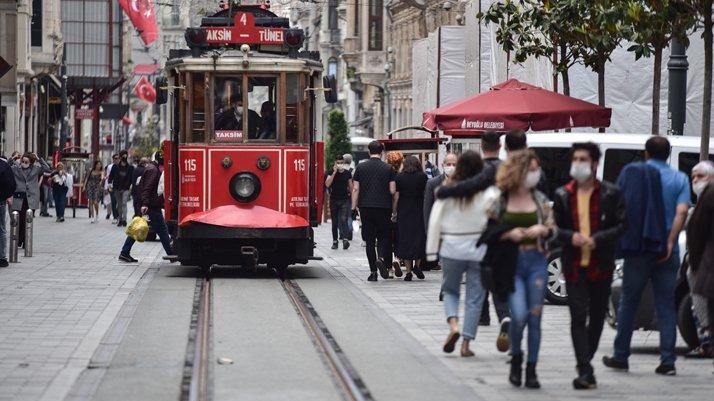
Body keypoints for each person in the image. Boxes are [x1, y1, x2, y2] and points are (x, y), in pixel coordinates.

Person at [603, 136, 690, 376]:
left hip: (639, 247)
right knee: (666, 305)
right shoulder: (679, 178)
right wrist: (671, 241)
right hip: (666, 249)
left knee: (629, 302)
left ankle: (621, 355)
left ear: (646, 154)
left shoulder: (635, 174)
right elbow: (682, 211)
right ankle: (667, 361)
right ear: (669, 153)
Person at [552, 142, 627, 389]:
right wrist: (570, 237)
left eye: (583, 159)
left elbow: (622, 224)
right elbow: (556, 229)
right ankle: (584, 367)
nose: (578, 164)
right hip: (574, 265)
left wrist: (599, 239)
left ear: (594, 163)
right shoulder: (563, 194)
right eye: (575, 159)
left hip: (600, 264)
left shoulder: (610, 193)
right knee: (577, 316)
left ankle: (587, 357)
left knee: (596, 317)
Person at [481, 150, 555, 389]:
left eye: (537, 170)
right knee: (519, 314)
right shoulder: (501, 200)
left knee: (535, 318)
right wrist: (507, 233)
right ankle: (516, 359)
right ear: (519, 171)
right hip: (511, 264)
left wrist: (543, 230)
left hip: (536, 262)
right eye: (531, 169)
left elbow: (553, 228)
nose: (536, 174)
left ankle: (531, 369)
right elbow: (487, 232)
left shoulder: (540, 200)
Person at [426, 150, 495, 357]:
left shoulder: (447, 190)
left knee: (450, 290)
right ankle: (466, 343)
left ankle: (453, 325)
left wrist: (431, 251)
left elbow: (435, 220)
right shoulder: (486, 191)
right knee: (475, 297)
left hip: (452, 246)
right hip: (477, 248)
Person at [352, 140, 397, 281]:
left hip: (366, 207)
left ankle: (373, 272)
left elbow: (355, 189)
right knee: (384, 237)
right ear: (382, 152)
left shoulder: (361, 168)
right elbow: (392, 190)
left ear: (368, 151)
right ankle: (382, 259)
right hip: (384, 207)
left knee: (369, 240)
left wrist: (353, 208)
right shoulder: (388, 168)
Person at [119, 152, 173, 262]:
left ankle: (124, 252)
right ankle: (171, 253)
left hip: (150, 204)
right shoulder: (153, 170)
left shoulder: (152, 168)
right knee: (161, 229)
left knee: (139, 227)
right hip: (151, 205)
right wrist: (145, 204)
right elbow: (147, 188)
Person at [687, 161, 714, 373]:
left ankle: (707, 343)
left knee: (703, 302)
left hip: (705, 263)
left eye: (701, 176)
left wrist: (694, 263)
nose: (695, 180)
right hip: (702, 262)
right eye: (694, 176)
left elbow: (700, 232)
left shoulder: (709, 197)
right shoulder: (704, 197)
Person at [422, 153, 457, 273]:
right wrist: (427, 229)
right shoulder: (433, 183)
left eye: (454, 164)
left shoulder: (464, 181)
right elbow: (427, 207)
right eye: (448, 164)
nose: (451, 167)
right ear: (443, 165)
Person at [395, 155, 428, 281]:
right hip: (419, 211)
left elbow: (397, 197)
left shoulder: (399, 177)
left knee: (406, 240)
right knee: (418, 239)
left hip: (404, 212)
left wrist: (394, 212)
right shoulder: (422, 176)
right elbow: (426, 193)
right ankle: (417, 266)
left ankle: (408, 272)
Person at [11, 153, 51, 248]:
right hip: (19, 198)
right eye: (23, 161)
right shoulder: (16, 168)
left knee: (27, 220)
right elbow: (6, 166)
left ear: (31, 162)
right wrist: (12, 158)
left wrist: (39, 159)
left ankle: (25, 241)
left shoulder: (35, 169)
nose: (24, 163)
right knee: (19, 220)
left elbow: (47, 169)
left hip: (31, 199)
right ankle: (19, 240)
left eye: (26, 162)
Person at [324, 156, 353, 250]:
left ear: (344, 163)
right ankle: (335, 241)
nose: (340, 164)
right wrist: (334, 172)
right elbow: (327, 184)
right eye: (338, 163)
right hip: (334, 200)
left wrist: (353, 200)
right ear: (335, 163)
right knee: (335, 222)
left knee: (343, 219)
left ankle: (345, 239)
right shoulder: (330, 172)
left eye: (341, 162)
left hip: (344, 199)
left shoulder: (347, 173)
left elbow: (351, 187)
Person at [385, 151, 404, 277]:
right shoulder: (401, 176)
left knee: (386, 238)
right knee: (398, 236)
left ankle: (389, 268)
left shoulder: (385, 174)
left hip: (385, 209)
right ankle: (397, 258)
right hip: (400, 211)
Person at [109, 150, 134, 227]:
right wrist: (110, 184)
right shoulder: (115, 167)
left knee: (124, 203)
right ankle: (120, 219)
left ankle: (124, 220)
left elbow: (132, 178)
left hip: (126, 188)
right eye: (123, 155)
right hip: (117, 188)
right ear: (120, 156)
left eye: (126, 155)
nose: (125, 157)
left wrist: (131, 186)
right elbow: (111, 176)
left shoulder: (130, 167)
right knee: (119, 205)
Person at [0, 155, 17, 267]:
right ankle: (2, 258)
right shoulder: (4, 166)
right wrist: (4, 196)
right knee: (1, 229)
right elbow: (12, 185)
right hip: (0, 202)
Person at [343, 153, 356, 240]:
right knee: (349, 213)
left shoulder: (341, 169)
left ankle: (342, 232)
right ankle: (350, 231)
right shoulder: (353, 170)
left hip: (341, 193)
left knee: (342, 212)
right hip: (351, 193)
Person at [106, 154, 119, 221]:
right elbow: (109, 177)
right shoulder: (110, 166)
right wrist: (108, 186)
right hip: (112, 186)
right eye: (115, 158)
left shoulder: (122, 166)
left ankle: (118, 215)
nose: (117, 159)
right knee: (113, 201)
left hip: (120, 187)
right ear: (113, 159)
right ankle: (115, 216)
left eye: (118, 158)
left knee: (119, 202)